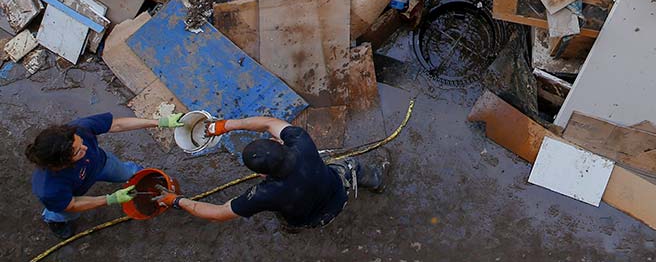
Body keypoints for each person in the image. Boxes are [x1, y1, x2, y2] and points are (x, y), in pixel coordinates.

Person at [153, 115, 389, 229]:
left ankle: (293, 230)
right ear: (279, 144)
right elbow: (268, 123)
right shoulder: (301, 141)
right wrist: (224, 125)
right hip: (337, 193)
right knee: (351, 166)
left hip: (313, 220)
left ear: (261, 175)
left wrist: (176, 200)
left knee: (290, 221)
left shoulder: (264, 194)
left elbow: (217, 213)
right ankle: (377, 180)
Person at [26, 111, 184, 239]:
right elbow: (72, 204)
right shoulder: (49, 189)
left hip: (101, 164)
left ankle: (137, 177)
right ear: (60, 163)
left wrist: (159, 122)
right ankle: (55, 221)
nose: (85, 149)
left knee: (130, 173)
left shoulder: (79, 128)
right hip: (71, 193)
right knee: (65, 213)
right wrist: (110, 199)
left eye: (81, 142)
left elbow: (117, 124)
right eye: (78, 151)